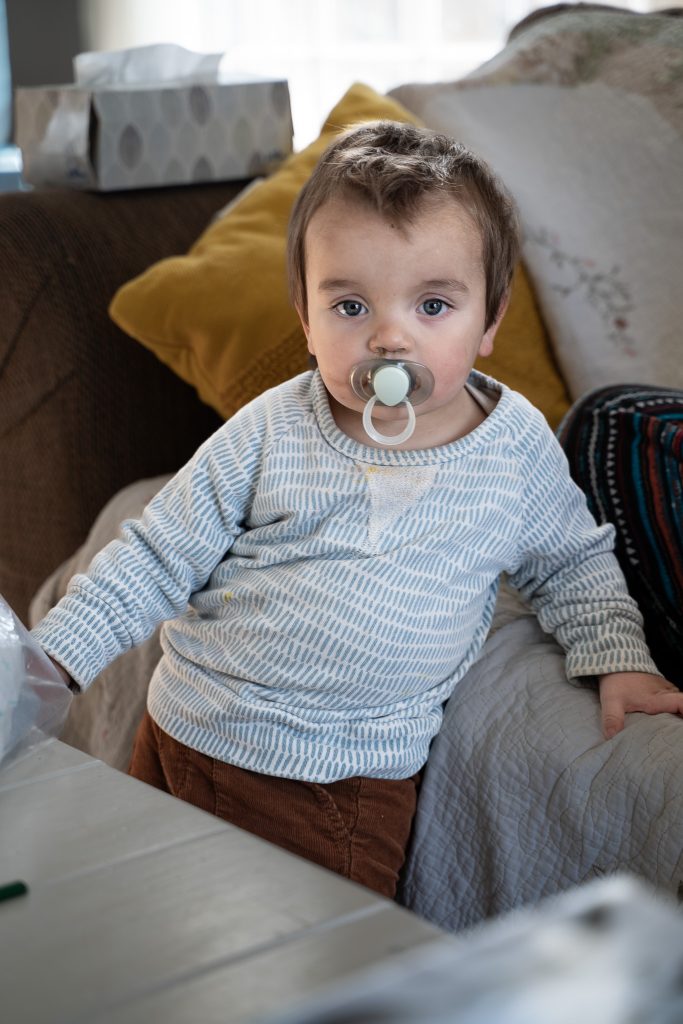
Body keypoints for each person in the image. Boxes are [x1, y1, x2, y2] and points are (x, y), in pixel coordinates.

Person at [32, 122, 683, 899]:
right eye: (348, 306)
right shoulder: (272, 428)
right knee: (151, 920)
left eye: (433, 304)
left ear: (490, 322)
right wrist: (50, 664)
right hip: (183, 724)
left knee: (304, 960)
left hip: (334, 784)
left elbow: (570, 561)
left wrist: (617, 656)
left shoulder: (514, 450)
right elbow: (154, 553)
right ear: (304, 319)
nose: (388, 337)